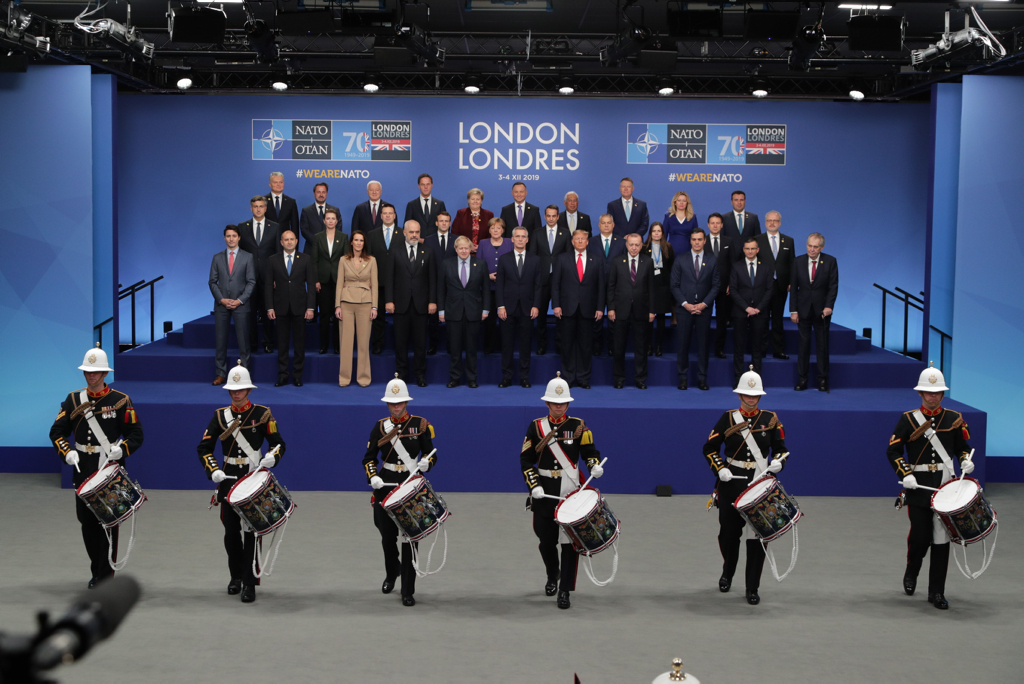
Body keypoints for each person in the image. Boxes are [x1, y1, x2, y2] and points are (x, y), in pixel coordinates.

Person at [50, 345, 144, 588]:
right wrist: (67, 452)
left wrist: (122, 450)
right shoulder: (73, 400)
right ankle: (96, 571)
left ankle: (104, 577)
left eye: (96, 372)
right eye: (88, 372)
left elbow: (136, 434)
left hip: (109, 468)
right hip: (82, 468)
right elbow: (57, 432)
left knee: (108, 522)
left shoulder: (120, 400)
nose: (91, 376)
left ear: (104, 374)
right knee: (87, 523)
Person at [887, 365, 973, 610]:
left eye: (937, 393)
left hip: (946, 486)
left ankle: (936, 591)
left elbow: (962, 448)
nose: (933, 397)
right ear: (920, 393)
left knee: (942, 539)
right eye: (928, 392)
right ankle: (912, 570)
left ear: (943, 394)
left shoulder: (954, 419)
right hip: (919, 486)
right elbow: (893, 451)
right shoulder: (908, 419)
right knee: (921, 536)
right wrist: (905, 473)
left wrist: (966, 460)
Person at [197, 362, 284, 604]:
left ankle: (250, 582)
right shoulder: (220, 416)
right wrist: (213, 469)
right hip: (228, 481)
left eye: (241, 389)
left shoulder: (262, 414)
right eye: (233, 390)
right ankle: (235, 576)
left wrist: (273, 457)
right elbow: (204, 448)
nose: (236, 394)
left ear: (248, 390)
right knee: (231, 533)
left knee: (252, 532)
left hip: (252, 479)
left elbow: (279, 443)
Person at [702, 366, 788, 605]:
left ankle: (752, 587)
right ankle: (727, 573)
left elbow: (781, 450)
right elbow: (709, 448)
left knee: (758, 537)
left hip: (760, 484)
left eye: (755, 395)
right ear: (739, 395)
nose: (751, 399)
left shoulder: (771, 419)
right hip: (731, 483)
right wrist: (720, 468)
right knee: (728, 535)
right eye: (747, 395)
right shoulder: (728, 418)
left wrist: (779, 462)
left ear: (760, 396)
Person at [521, 374, 603, 609]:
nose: (559, 407)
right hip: (544, 492)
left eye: (563, 403)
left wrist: (594, 465)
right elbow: (526, 460)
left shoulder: (578, 426)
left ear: (568, 404)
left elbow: (589, 452)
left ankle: (565, 589)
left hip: (570, 491)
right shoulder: (536, 427)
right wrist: (534, 485)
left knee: (570, 543)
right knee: (546, 541)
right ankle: (552, 574)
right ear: (547, 403)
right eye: (555, 403)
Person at [363, 375, 438, 607]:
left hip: (410, 485)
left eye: (400, 403)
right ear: (387, 404)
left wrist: (426, 463)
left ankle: (407, 589)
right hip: (385, 485)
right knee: (387, 536)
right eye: (392, 403)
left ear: (406, 402)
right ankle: (392, 572)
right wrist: (373, 476)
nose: (396, 407)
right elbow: (368, 458)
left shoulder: (421, 424)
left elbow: (431, 454)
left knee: (410, 538)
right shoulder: (379, 427)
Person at [386, 220, 437, 387]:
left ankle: (420, 375)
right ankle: (401, 374)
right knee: (400, 342)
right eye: (411, 232)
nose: (414, 235)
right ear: (404, 233)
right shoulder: (395, 251)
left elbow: (432, 279)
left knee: (420, 343)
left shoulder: (428, 251)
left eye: (417, 232)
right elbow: (389, 278)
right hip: (400, 305)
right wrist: (389, 300)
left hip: (421, 305)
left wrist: (432, 301)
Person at [551, 229, 604, 389]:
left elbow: (601, 286)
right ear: (572, 242)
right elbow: (556, 284)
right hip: (567, 308)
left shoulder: (597, 259)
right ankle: (567, 377)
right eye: (577, 239)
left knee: (585, 346)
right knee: (567, 345)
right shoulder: (562, 258)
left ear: (587, 242)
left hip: (588, 308)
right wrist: (556, 305)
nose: (580, 241)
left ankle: (583, 378)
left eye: (583, 239)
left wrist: (600, 307)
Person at [265, 230, 316, 386]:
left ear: (296, 241)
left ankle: (297, 376)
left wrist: (311, 308)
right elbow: (268, 285)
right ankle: (283, 375)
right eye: (286, 239)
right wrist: (269, 307)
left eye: (291, 239)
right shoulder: (273, 260)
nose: (289, 242)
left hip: (300, 307)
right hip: (280, 307)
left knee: (299, 344)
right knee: (282, 344)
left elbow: (311, 285)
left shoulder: (306, 259)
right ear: (281, 242)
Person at [670, 227, 719, 390]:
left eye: (699, 239)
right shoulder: (680, 259)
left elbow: (716, 285)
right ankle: (682, 378)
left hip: (704, 310)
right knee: (682, 345)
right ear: (690, 241)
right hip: (684, 310)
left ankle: (702, 379)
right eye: (694, 239)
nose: (697, 242)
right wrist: (686, 304)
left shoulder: (712, 260)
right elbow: (674, 285)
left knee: (703, 346)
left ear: (704, 241)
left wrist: (704, 304)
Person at [439, 236, 490, 388]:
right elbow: (441, 289)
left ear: (471, 249)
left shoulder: (480, 264)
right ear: (456, 249)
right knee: (454, 348)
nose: (463, 251)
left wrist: (485, 309)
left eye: (466, 248)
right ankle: (454, 378)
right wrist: (441, 310)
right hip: (452, 311)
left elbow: (486, 289)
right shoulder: (446, 263)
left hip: (473, 311)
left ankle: (472, 378)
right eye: (460, 248)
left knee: (471, 348)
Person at [790, 232, 839, 392]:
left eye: (815, 247)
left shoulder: (830, 261)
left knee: (822, 346)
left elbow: (833, 286)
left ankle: (823, 380)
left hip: (822, 311)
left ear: (821, 248)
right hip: (803, 310)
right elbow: (794, 288)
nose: (812, 249)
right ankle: (802, 379)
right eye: (809, 246)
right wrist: (793, 310)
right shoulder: (798, 261)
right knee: (803, 346)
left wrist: (829, 306)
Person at [607, 234, 655, 389]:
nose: (634, 248)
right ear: (626, 245)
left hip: (641, 311)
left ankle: (640, 379)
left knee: (641, 348)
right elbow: (611, 286)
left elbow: (651, 288)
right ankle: (619, 379)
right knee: (618, 348)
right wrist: (611, 307)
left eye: (637, 245)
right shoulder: (616, 261)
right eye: (631, 244)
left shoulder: (648, 262)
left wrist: (652, 310)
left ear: (641, 246)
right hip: (620, 311)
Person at [209, 225, 255, 385]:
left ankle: (245, 374)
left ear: (239, 237)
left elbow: (251, 282)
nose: (231, 239)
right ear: (224, 238)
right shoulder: (217, 257)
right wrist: (221, 299)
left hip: (241, 305)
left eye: (234, 236)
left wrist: (240, 300)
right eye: (228, 236)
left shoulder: (247, 257)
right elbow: (212, 282)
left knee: (244, 342)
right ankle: (220, 374)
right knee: (220, 341)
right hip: (221, 305)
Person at [496, 226, 541, 388]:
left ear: (527, 240)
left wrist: (536, 305)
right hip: (507, 308)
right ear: (512, 239)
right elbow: (499, 285)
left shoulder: (535, 260)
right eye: (517, 236)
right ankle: (507, 377)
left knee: (525, 345)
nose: (520, 239)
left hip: (528, 308)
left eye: (523, 237)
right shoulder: (504, 259)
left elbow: (538, 286)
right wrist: (500, 306)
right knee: (507, 345)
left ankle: (524, 377)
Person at [335, 230, 378, 387]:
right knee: (345, 343)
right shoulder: (343, 260)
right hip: (346, 302)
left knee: (363, 343)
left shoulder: (371, 260)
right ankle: (344, 378)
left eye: (361, 240)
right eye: (356, 240)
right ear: (351, 242)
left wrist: (374, 306)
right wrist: (337, 305)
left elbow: (375, 284)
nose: (359, 243)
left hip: (365, 302)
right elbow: (339, 283)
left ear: (364, 243)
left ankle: (363, 377)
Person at [237, 195, 279, 354]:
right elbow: (240, 254)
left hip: (268, 277)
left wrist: (276, 276)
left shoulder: (275, 227)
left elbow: (278, 254)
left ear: (265, 208)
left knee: (268, 311)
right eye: (255, 206)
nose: (258, 209)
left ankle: (268, 343)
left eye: (261, 206)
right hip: (248, 278)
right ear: (251, 208)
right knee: (250, 313)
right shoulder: (242, 227)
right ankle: (252, 343)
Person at [730, 238, 772, 387]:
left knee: (757, 348)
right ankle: (738, 380)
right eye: (747, 248)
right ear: (743, 250)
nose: (750, 251)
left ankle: (756, 381)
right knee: (739, 348)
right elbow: (733, 290)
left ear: (757, 250)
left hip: (760, 312)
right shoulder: (736, 266)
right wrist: (746, 308)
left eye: (753, 248)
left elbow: (769, 290)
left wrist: (758, 308)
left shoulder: (766, 267)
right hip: (740, 312)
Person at [529, 205, 570, 356]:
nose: (551, 218)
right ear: (545, 216)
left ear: (558, 217)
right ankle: (542, 344)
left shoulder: (565, 233)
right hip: (542, 278)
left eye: (554, 216)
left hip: (561, 279)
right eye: (548, 216)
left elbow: (569, 256)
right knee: (540, 315)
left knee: (561, 314)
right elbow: (532, 256)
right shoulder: (537, 233)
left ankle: (560, 345)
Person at [310, 209, 350, 355]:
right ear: (324, 221)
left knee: (339, 314)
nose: (331, 221)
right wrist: (316, 280)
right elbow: (314, 260)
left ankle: (338, 346)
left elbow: (346, 260)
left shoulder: (343, 237)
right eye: (328, 218)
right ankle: (324, 346)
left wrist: (345, 280)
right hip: (323, 281)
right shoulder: (318, 237)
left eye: (333, 218)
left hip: (339, 281)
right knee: (324, 315)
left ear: (337, 221)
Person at [756, 211, 794, 360]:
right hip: (762, 287)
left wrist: (791, 282)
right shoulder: (757, 240)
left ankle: (778, 350)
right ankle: (762, 350)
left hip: (781, 286)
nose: (772, 223)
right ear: (765, 223)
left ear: (780, 223)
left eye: (775, 220)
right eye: (769, 220)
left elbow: (792, 263)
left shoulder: (788, 241)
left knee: (778, 320)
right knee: (763, 319)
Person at [587, 213, 624, 356]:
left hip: (617, 286)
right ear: (599, 225)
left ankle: (612, 347)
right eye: (603, 223)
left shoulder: (621, 242)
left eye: (609, 223)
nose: (606, 225)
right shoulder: (591, 242)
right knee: (596, 319)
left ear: (613, 225)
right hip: (595, 286)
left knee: (614, 319)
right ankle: (596, 347)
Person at [366, 203, 401, 355]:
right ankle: (377, 344)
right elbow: (368, 259)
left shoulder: (403, 233)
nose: (387, 215)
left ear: (394, 216)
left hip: (398, 282)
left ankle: (399, 345)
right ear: (380, 216)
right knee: (377, 315)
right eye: (385, 213)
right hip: (378, 281)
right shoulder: (372, 235)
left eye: (390, 213)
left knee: (399, 317)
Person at [476, 217, 512, 354]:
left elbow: (514, 263)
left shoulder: (510, 242)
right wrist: (488, 276)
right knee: (489, 321)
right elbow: (478, 266)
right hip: (488, 288)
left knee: (506, 320)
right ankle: (489, 347)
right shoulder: (483, 243)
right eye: (493, 228)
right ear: (489, 230)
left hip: (506, 289)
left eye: (498, 228)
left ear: (503, 230)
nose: (495, 230)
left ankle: (505, 347)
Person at [705, 212, 738, 359]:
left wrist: (731, 283)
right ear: (708, 225)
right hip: (705, 287)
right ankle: (704, 348)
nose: (715, 225)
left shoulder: (728, 241)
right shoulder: (702, 240)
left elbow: (733, 264)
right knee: (704, 320)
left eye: (718, 223)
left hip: (725, 287)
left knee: (722, 320)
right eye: (712, 223)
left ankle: (719, 349)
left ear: (722, 225)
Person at [423, 211, 456, 355]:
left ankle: (451, 345)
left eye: (446, 221)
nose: (444, 223)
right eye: (441, 221)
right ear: (436, 223)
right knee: (433, 318)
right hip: (433, 284)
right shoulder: (428, 240)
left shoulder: (456, 240)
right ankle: (433, 345)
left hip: (452, 285)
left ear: (450, 223)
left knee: (452, 318)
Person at [643, 222, 675, 357]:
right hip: (649, 285)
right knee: (649, 318)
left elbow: (671, 266)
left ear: (662, 233)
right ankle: (649, 346)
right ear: (650, 233)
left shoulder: (668, 247)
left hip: (663, 286)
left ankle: (659, 346)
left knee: (661, 317)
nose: (656, 233)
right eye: (654, 231)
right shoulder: (644, 247)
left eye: (659, 231)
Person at [299, 182, 339, 255]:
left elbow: (338, 228)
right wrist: (317, 242)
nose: (321, 194)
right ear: (314, 193)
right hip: (311, 249)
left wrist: (328, 243)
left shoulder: (335, 210)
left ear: (327, 193)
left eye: (323, 192)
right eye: (318, 192)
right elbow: (304, 230)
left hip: (330, 249)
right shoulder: (306, 211)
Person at [404, 173, 447, 239]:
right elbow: (407, 226)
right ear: (419, 186)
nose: (425, 187)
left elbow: (445, 224)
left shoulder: (440, 204)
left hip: (435, 242)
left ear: (432, 185)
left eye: (428, 184)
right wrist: (419, 239)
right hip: (417, 242)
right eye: (423, 184)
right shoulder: (411, 205)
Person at [451, 188, 493, 253]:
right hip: (464, 250)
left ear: (481, 200)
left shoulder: (489, 215)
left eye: (478, 199)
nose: (475, 201)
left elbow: (491, 234)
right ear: (468, 200)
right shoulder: (461, 213)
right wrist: (468, 246)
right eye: (473, 199)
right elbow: (455, 232)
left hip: (483, 251)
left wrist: (481, 246)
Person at [264, 172, 299, 246]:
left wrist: (295, 246)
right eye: (275, 182)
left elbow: (295, 226)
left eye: (281, 182)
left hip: (286, 242)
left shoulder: (291, 202)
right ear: (270, 184)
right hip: (267, 242)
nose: (278, 184)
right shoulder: (263, 201)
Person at [663, 191, 698, 256]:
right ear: (675, 202)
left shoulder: (692, 217)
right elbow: (663, 236)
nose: (681, 203)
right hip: (671, 252)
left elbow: (696, 236)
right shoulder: (668, 217)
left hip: (687, 252)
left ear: (687, 203)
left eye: (684, 201)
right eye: (679, 200)